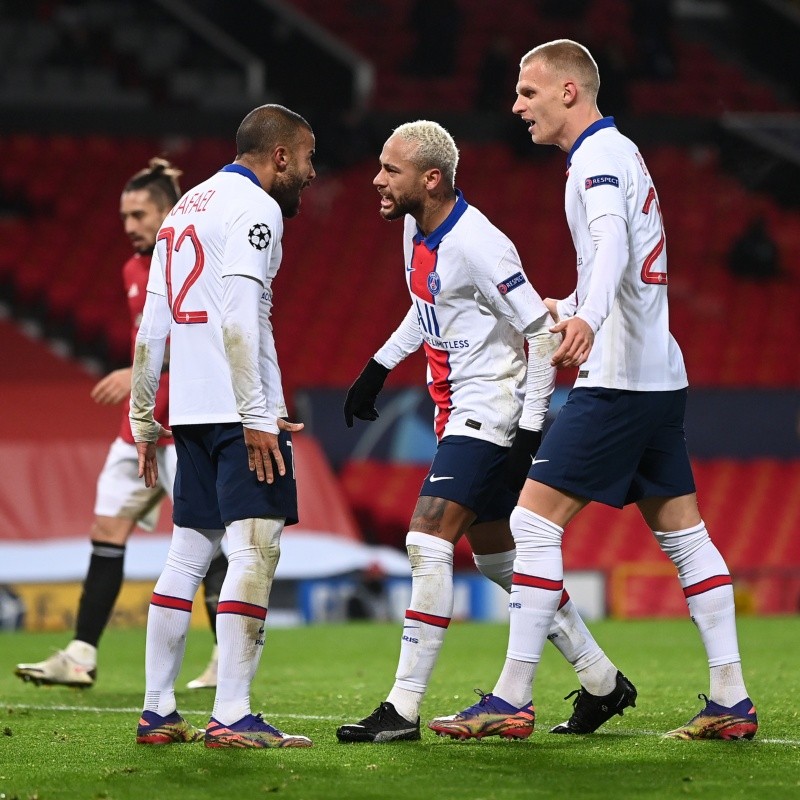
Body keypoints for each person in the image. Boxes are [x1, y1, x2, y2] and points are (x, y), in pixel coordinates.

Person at [430, 39, 757, 742]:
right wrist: (564, 303)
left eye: (528, 92)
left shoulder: (596, 160)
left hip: (619, 380)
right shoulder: (622, 154)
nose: (517, 106)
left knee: (531, 524)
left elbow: (612, 243)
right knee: (687, 538)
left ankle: (513, 696)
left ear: (570, 92)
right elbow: (618, 262)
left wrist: (587, 315)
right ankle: (731, 697)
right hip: (659, 376)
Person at [336, 120, 636, 744]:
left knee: (426, 539)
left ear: (431, 178)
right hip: (455, 411)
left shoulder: (481, 242)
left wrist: (527, 432)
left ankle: (402, 708)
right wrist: (377, 367)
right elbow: (427, 309)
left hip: (489, 412)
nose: (377, 179)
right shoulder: (417, 230)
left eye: (390, 169)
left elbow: (541, 332)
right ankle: (604, 682)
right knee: (505, 566)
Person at [129, 104, 316, 748]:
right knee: (254, 552)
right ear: (281, 156)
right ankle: (232, 714)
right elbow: (240, 320)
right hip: (241, 414)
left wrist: (144, 418)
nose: (312, 175)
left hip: (189, 412)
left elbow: (152, 325)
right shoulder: (255, 209)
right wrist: (259, 415)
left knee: (186, 555)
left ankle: (157, 711)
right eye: (309, 159)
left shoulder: (184, 211)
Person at [14, 158, 225, 691]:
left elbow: (201, 339)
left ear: (167, 212)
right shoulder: (133, 268)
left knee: (210, 542)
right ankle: (81, 655)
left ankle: (226, 659)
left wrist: (136, 370)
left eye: (138, 214)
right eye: (124, 215)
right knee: (105, 531)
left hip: (184, 432)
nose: (129, 224)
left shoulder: (190, 262)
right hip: (137, 430)